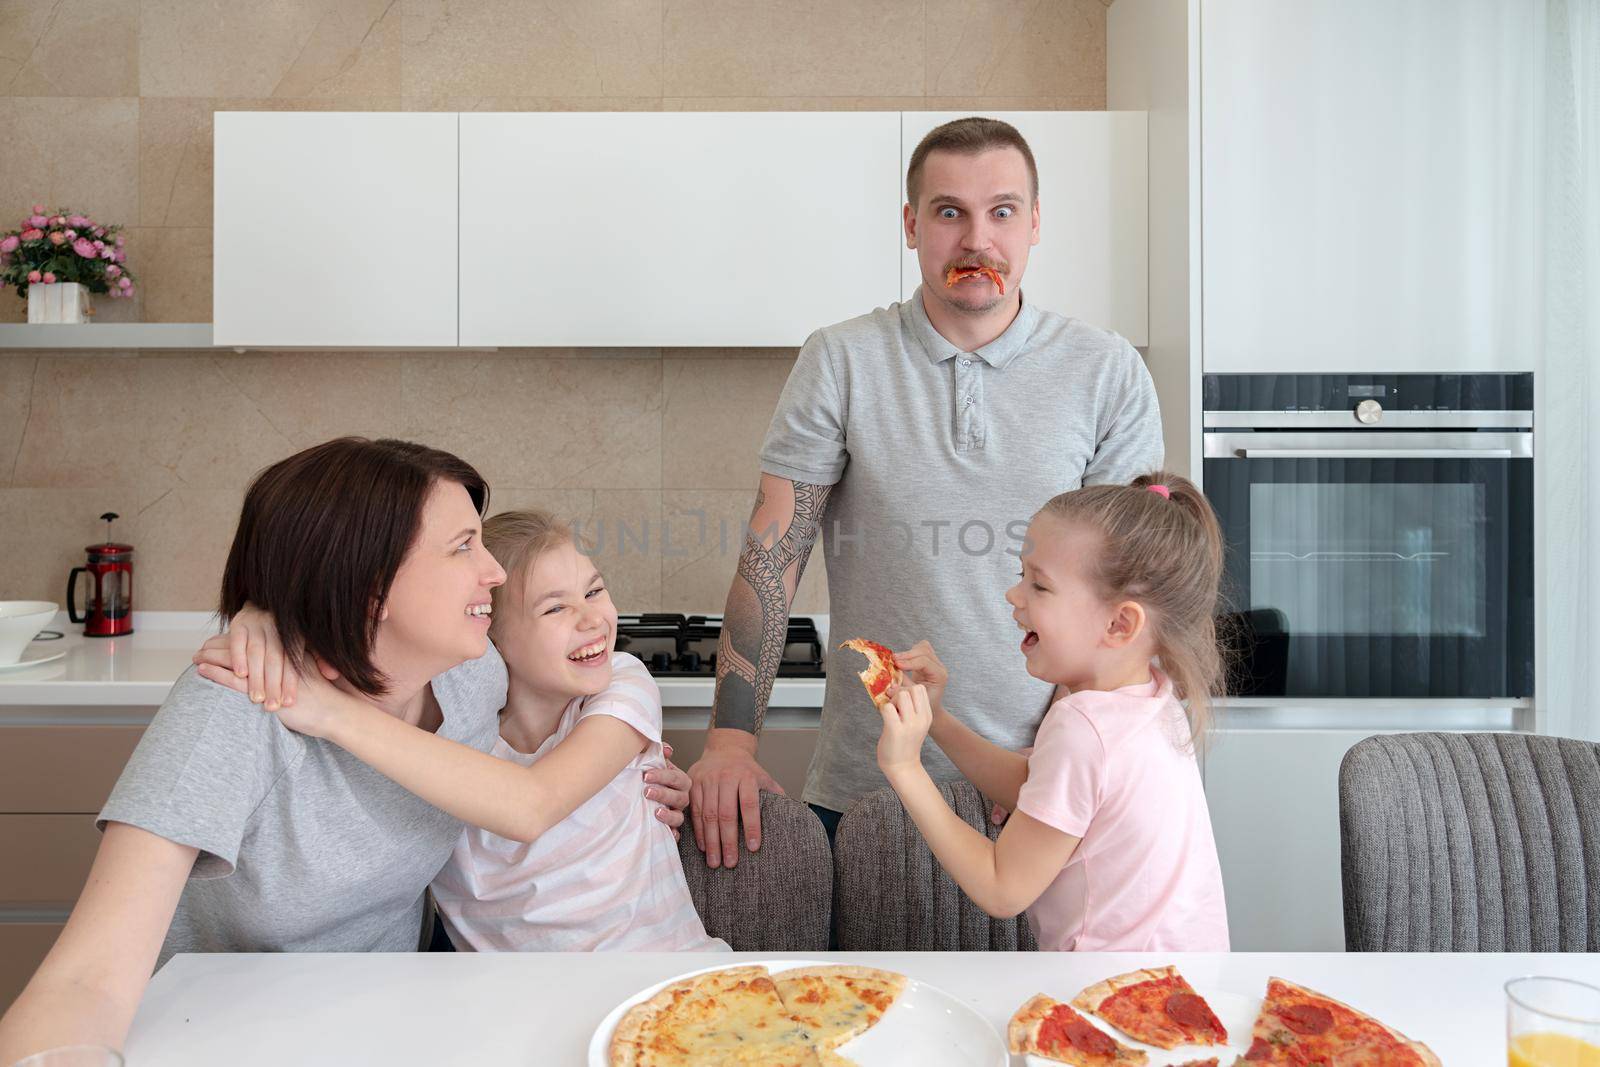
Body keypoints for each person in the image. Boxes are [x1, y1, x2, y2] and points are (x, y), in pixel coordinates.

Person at [688, 116, 1164, 867]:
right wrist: (728, 740)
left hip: (1052, 792)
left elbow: (1126, 600)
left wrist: (1056, 757)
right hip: (867, 785)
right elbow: (773, 554)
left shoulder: (1107, 371)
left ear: (1035, 223)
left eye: (1002, 211)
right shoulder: (841, 360)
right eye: (950, 213)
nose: (978, 239)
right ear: (912, 225)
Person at [210, 509, 726, 952]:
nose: (593, 619)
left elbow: (531, 805)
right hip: (507, 1007)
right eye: (555, 607)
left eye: (594, 590)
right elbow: (359, 614)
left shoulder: (623, 683)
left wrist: (327, 711)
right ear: (488, 630)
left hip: (664, 977)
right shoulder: (443, 728)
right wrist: (266, 617)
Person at [875, 473, 1229, 951]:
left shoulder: (1082, 727)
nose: (1013, 595)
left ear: (1119, 623)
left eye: (1039, 586)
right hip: (1178, 990)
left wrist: (904, 767)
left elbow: (1002, 889)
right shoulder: (1152, 699)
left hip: (1109, 1002)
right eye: (1023, 575)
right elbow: (1041, 792)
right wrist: (938, 720)